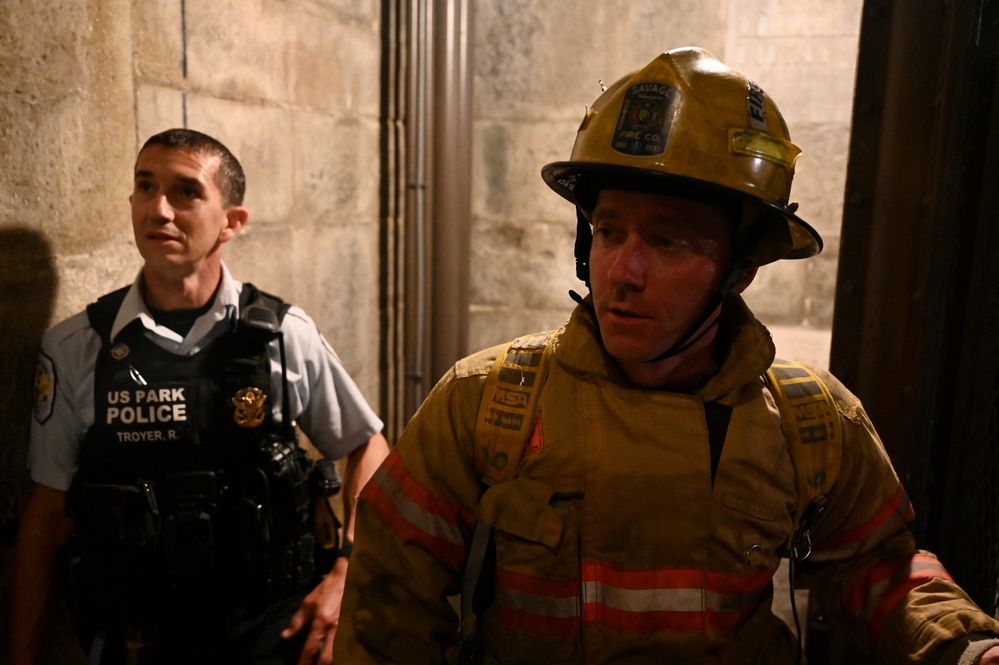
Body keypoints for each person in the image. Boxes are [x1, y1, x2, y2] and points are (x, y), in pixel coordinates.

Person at [333, 48, 999, 664]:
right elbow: (387, 606)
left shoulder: (811, 420)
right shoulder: (486, 401)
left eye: (669, 241)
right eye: (607, 230)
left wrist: (968, 649)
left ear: (738, 270)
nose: (622, 270)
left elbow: (878, 568)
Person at [10, 128, 390, 665]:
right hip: (136, 641)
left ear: (231, 222)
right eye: (146, 187)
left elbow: (367, 446)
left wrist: (347, 572)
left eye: (186, 191)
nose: (159, 209)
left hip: (270, 633)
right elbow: (46, 517)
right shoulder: (79, 347)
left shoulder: (282, 335)